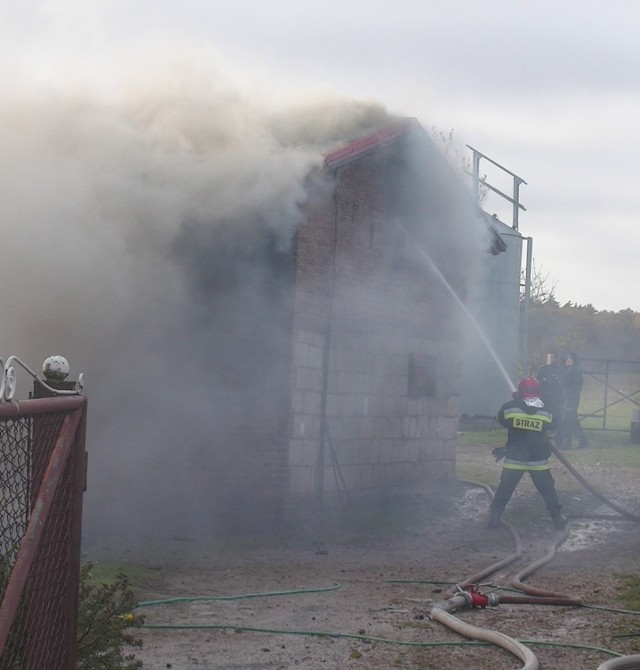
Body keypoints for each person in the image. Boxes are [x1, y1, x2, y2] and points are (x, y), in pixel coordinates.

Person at [488, 376, 567, 530]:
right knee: (548, 490)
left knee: (505, 488)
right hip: (538, 460)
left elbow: (500, 420)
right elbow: (553, 428)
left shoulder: (509, 407)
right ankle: (557, 519)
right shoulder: (547, 410)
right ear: (538, 391)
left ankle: (494, 518)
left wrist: (516, 401)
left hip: (514, 458)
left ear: (520, 390)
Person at [560, 352, 589, 450]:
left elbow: (575, 387)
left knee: (567, 420)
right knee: (572, 420)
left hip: (571, 398)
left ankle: (568, 442)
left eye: (570, 359)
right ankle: (582, 440)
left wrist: (570, 398)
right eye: (567, 359)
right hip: (567, 397)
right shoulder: (568, 370)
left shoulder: (575, 371)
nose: (568, 361)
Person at [536, 352, 565, 446]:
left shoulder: (559, 370)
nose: (550, 359)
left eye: (552, 357)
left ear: (555, 358)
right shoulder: (542, 369)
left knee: (557, 419)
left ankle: (559, 441)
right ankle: (542, 440)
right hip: (545, 398)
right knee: (543, 419)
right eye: (549, 357)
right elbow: (538, 382)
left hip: (556, 399)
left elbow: (561, 384)